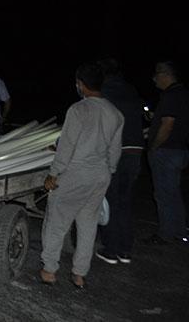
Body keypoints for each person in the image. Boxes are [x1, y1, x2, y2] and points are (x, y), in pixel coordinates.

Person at [40, 63, 124, 289]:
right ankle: (79, 274)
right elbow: (115, 151)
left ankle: (49, 270)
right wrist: (109, 172)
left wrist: (53, 174)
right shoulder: (115, 113)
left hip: (75, 173)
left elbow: (66, 147)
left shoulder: (78, 110)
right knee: (88, 225)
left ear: (80, 84)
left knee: (57, 221)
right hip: (100, 175)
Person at [94, 58, 146, 265]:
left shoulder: (104, 93)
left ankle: (111, 249)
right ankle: (125, 250)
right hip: (135, 151)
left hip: (116, 151)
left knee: (109, 200)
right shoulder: (131, 90)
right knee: (124, 201)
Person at [144, 61, 189, 245]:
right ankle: (179, 230)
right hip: (181, 149)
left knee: (163, 193)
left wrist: (154, 146)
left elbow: (168, 125)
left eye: (156, 75)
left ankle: (166, 234)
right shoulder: (184, 94)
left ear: (165, 74)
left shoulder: (171, 95)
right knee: (173, 192)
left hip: (167, 151)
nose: (154, 79)